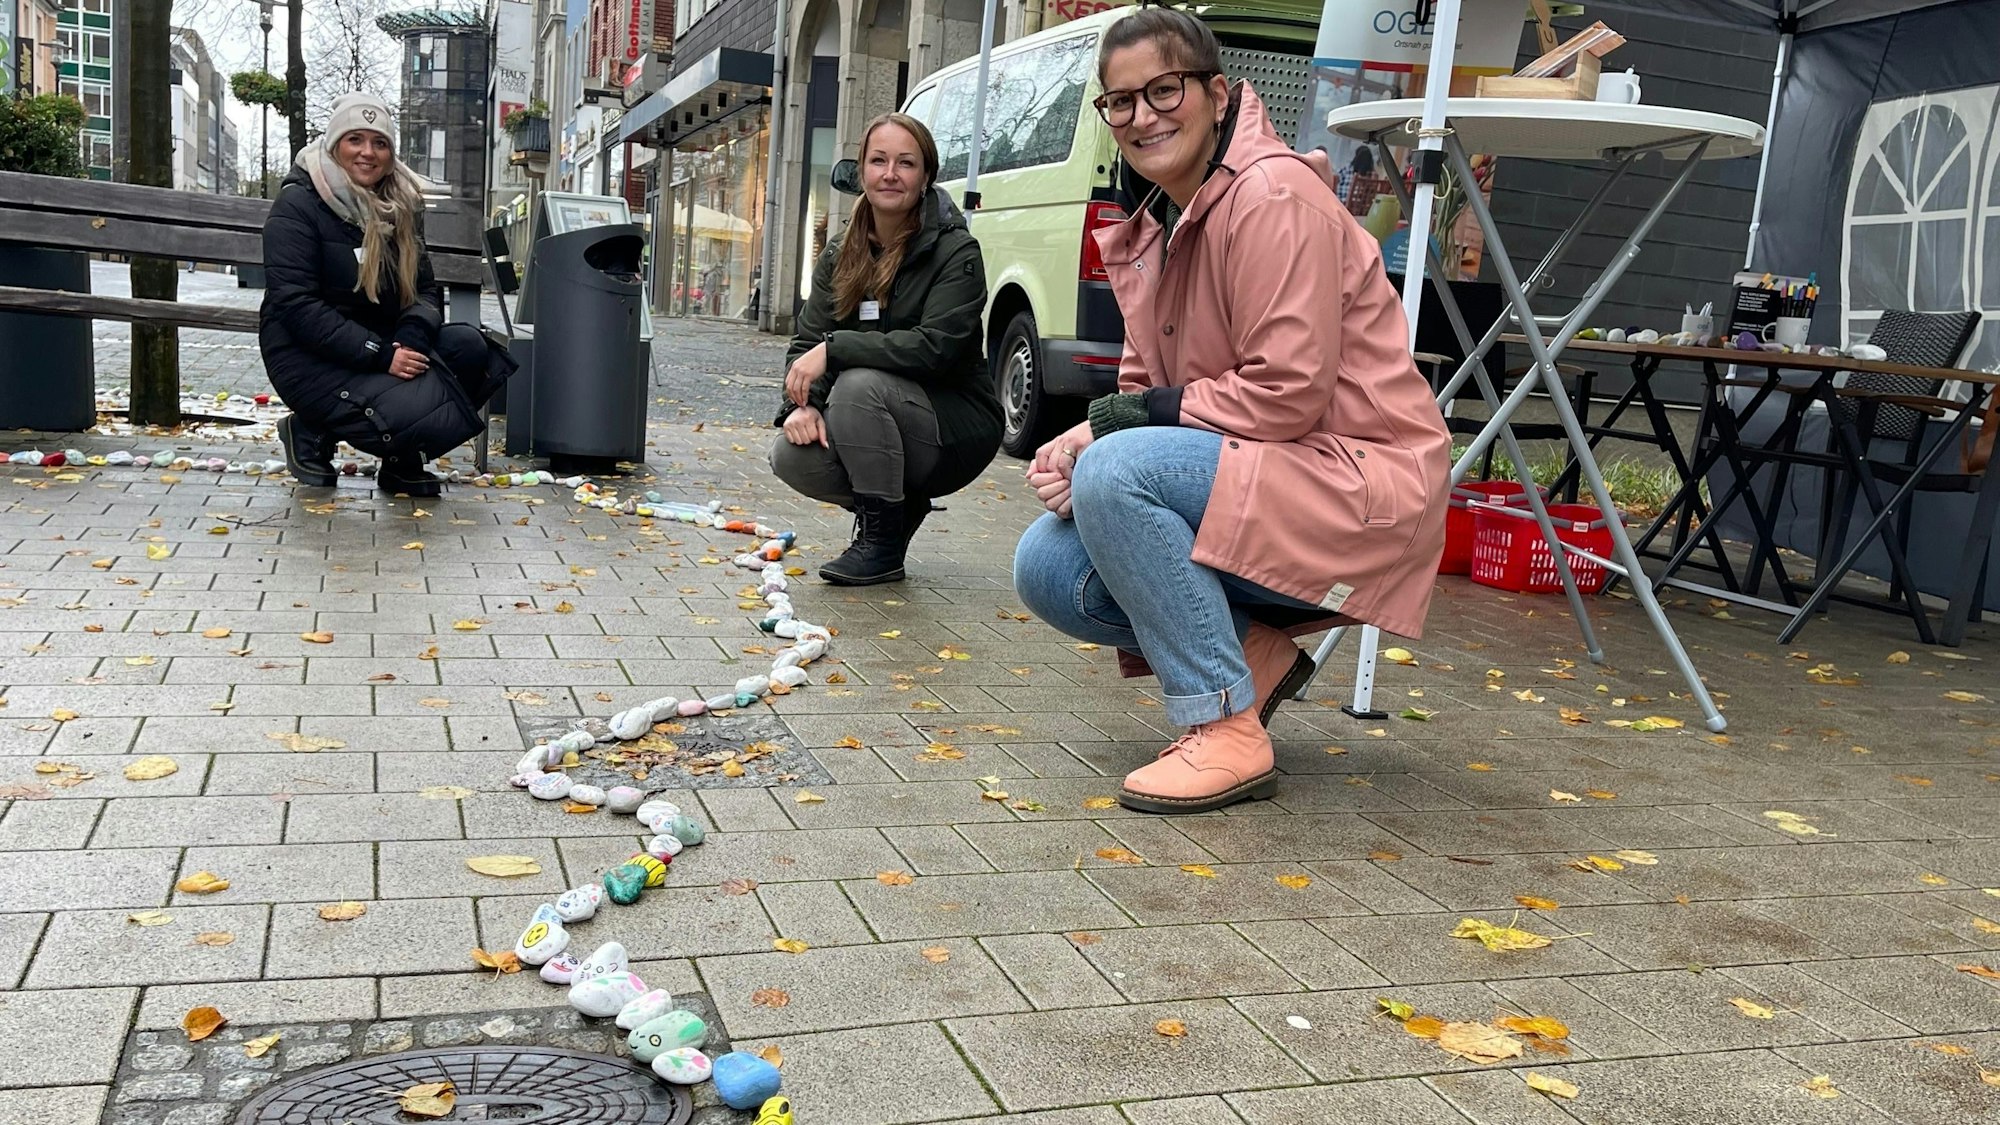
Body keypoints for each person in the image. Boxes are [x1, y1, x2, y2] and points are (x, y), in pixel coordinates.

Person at [1012, 9, 1452, 814]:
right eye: (1120, 102)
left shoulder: (1274, 197)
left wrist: (1110, 438)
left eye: (1163, 89)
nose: (1142, 115)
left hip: (1362, 484)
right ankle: (1249, 654)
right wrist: (1084, 440)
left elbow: (1284, 392)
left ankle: (1225, 728)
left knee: (1120, 471)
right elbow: (1144, 390)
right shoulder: (1159, 226)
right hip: (1272, 475)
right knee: (1049, 566)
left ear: (1216, 93)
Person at [771, 112, 1003, 585]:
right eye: (878, 161)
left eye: (906, 163)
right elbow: (807, 342)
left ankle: (879, 547)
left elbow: (935, 348)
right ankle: (896, 511)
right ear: (862, 172)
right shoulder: (840, 252)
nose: (890, 173)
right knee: (790, 455)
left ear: (925, 177)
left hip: (955, 424)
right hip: (878, 416)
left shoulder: (956, 251)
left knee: (858, 386)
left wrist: (837, 351)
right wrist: (803, 406)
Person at [259, 93, 514, 498]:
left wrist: (412, 338)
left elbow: (426, 290)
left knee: (468, 348)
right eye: (355, 139)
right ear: (335, 145)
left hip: (383, 344)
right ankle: (309, 427)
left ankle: (400, 462)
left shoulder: (402, 205)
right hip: (307, 355)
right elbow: (295, 305)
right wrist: (380, 354)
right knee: (411, 403)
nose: (367, 152)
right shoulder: (299, 203)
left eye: (380, 143)